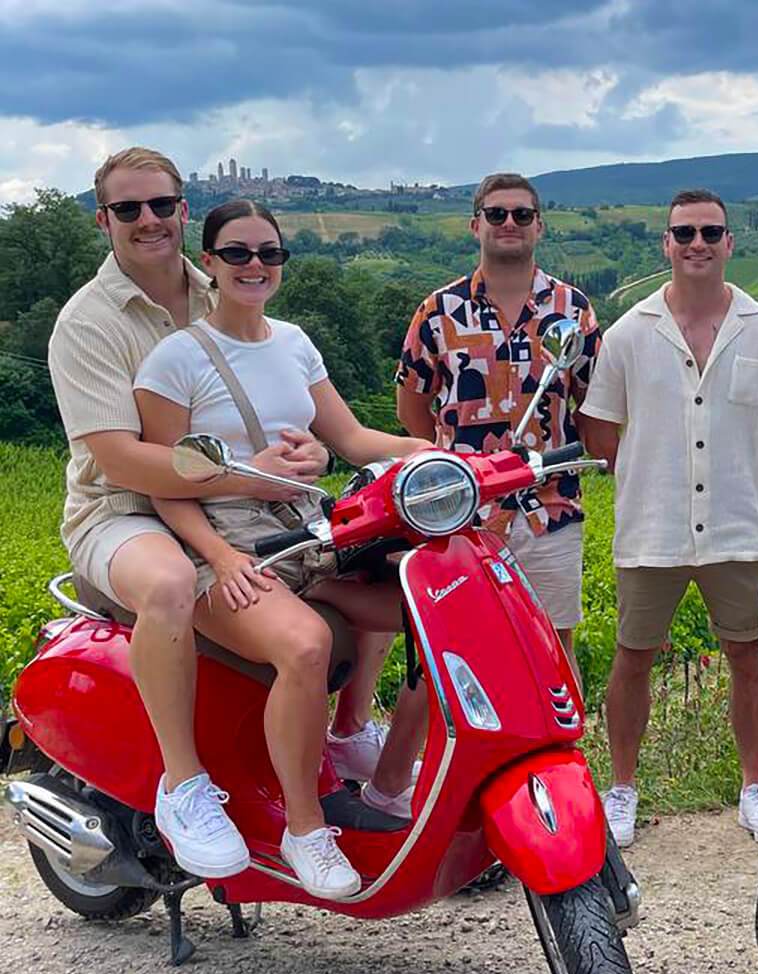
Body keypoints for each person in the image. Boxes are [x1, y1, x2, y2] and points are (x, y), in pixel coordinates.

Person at [47, 148, 336, 880]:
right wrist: (249, 480)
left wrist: (311, 461)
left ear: (183, 208)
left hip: (229, 504)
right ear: (104, 219)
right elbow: (120, 461)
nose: (147, 221)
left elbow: (289, 411)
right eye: (127, 209)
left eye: (160, 205)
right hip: (121, 512)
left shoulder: (228, 284)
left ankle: (349, 744)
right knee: (172, 581)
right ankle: (185, 785)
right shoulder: (88, 323)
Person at [134, 199, 433, 899]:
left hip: (306, 533)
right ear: (207, 263)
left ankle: (389, 782)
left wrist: (441, 455)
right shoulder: (175, 359)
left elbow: (353, 440)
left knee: (436, 607)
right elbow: (166, 484)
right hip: (227, 544)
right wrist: (221, 555)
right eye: (237, 253)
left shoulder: (295, 343)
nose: (255, 265)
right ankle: (305, 829)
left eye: (269, 253)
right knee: (304, 647)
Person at [580, 189, 758, 848]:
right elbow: (600, 429)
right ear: (667, 243)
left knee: (745, 654)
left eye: (710, 232)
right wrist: (652, 477)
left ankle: (753, 787)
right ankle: (622, 788)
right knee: (632, 657)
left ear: (730, 242)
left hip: (737, 525)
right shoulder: (628, 334)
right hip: (650, 528)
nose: (697, 244)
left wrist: (745, 478)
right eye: (684, 233)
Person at [396, 172, 599, 682]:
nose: (509, 223)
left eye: (521, 215)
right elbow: (412, 411)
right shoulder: (437, 311)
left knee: (552, 645)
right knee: (461, 650)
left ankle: (560, 759)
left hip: (548, 508)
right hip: (460, 516)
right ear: (475, 225)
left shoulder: (573, 311)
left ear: (539, 227)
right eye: (496, 214)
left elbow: (591, 405)